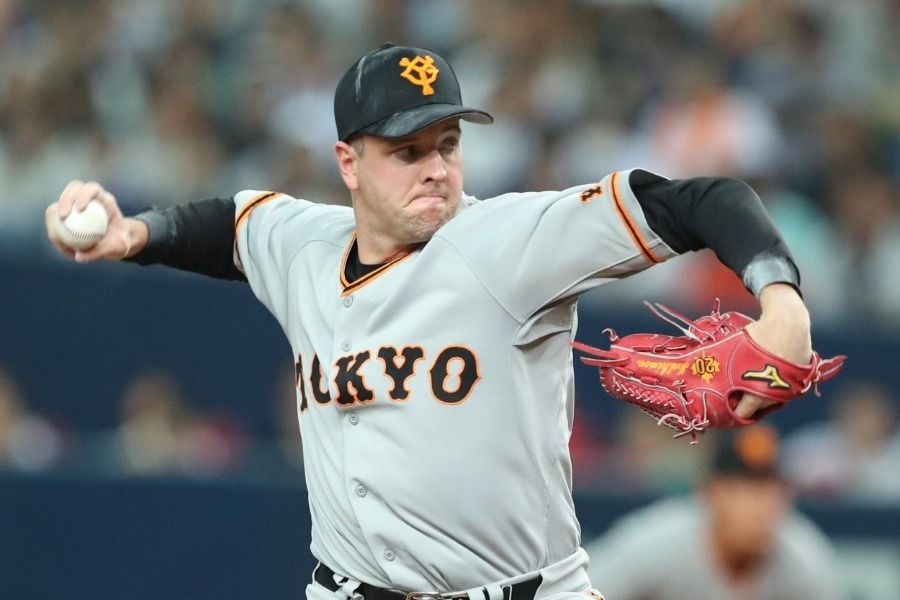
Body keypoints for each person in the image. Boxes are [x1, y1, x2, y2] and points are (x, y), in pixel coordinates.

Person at [45, 43, 816, 600]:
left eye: (447, 145)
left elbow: (700, 200)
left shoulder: (509, 242)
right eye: (407, 151)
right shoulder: (303, 245)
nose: (436, 169)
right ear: (349, 163)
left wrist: (779, 295)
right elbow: (230, 226)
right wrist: (132, 234)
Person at [584, 425, 843, 600]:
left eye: (770, 491)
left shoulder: (802, 558)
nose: (762, 507)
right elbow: (578, 593)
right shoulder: (657, 543)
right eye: (743, 490)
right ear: (708, 494)